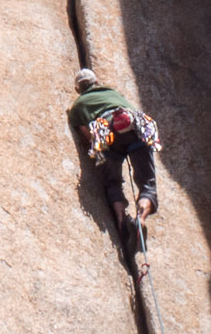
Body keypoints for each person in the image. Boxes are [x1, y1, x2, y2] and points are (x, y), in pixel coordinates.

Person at [67, 68, 160, 226]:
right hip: (132, 125)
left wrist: (102, 151)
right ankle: (141, 219)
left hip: (106, 133)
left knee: (113, 182)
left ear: (77, 89)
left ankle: (121, 219)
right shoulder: (112, 92)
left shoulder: (78, 106)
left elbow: (87, 134)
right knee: (147, 185)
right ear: (96, 82)